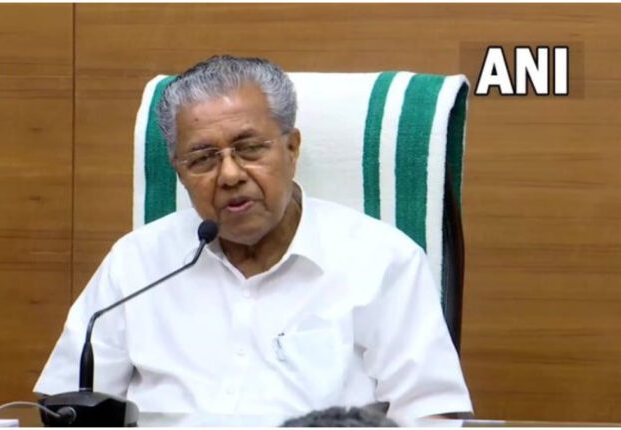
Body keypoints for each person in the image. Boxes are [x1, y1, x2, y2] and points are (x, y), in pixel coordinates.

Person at [34, 55, 472, 426]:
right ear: (179, 172)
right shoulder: (138, 263)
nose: (229, 175)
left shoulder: (382, 260)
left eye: (249, 149)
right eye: (203, 159)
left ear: (292, 149)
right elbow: (67, 406)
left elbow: (432, 416)